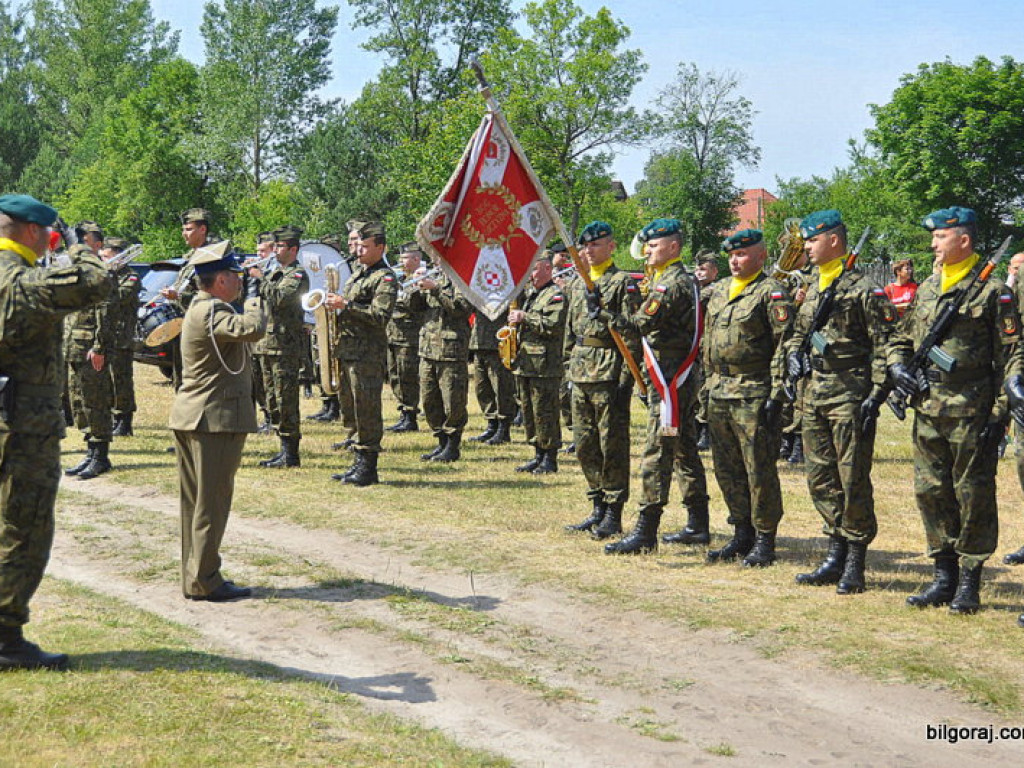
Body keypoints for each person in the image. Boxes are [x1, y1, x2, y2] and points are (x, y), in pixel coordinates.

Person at [0, 194, 112, 669]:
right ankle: (4, 637)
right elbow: (95, 281)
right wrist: (73, 243)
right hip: (22, 422)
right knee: (22, 525)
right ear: (32, 231)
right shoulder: (21, 280)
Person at [893, 207, 1023, 614]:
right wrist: (897, 365)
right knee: (931, 492)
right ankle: (943, 575)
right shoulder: (928, 288)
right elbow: (901, 337)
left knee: (972, 495)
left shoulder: (992, 291)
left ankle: (970, 580)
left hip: (972, 410)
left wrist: (1001, 410)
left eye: (940, 237)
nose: (933, 244)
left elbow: (1012, 354)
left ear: (963, 240)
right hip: (928, 408)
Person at [784, 209, 897, 594]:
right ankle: (834, 551)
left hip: (850, 392)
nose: (807, 248)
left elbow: (886, 344)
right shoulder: (814, 286)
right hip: (814, 391)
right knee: (821, 477)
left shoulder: (864, 287)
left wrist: (877, 394)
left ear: (834, 240)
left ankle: (855, 560)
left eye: (813, 241)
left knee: (851, 479)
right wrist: (793, 354)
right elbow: (798, 332)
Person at [594, 218, 702, 554]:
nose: (646, 252)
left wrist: (605, 314)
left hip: (670, 380)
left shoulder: (669, 284)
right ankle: (698, 522)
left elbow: (641, 324)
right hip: (670, 377)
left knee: (659, 448)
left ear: (672, 247)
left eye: (653, 246)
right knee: (682, 446)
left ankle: (646, 529)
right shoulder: (668, 278)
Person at [169, 240, 266, 602]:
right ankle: (205, 579)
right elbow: (252, 329)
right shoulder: (212, 311)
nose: (240, 282)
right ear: (221, 279)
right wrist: (255, 295)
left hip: (195, 415)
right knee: (212, 502)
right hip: (213, 419)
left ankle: (196, 576)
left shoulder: (201, 306)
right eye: (236, 277)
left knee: (195, 503)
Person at [701, 230, 793, 566]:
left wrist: (778, 393)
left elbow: (785, 344)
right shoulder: (719, 290)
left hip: (753, 391)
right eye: (731, 255)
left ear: (761, 255)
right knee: (727, 468)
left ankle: (765, 538)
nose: (735, 260)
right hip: (719, 391)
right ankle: (741, 531)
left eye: (742, 254)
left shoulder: (771, 292)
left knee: (759, 469)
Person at [562, 222, 640, 536]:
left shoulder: (622, 282)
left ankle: (614, 510)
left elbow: (632, 331)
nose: (588, 251)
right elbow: (571, 331)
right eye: (585, 247)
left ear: (611, 246)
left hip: (609, 370)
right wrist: (568, 365)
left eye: (595, 245)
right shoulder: (577, 283)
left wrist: (627, 378)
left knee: (612, 445)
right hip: (581, 371)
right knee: (584, 444)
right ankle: (596, 505)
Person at [324, 221, 397, 485]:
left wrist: (346, 305)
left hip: (367, 353)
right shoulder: (359, 274)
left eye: (365, 247)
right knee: (352, 407)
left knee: (367, 408)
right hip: (349, 349)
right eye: (358, 246)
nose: (359, 251)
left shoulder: (385, 278)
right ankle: (357, 461)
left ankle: (368, 466)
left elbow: (379, 316)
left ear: (381, 247)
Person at [250, 226, 309, 468]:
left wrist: (260, 277)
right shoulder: (276, 273)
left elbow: (280, 299)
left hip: (285, 346)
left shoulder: (297, 275)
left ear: (293, 249)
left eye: (280, 247)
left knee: (286, 399)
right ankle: (281, 447)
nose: (275, 251)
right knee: (272, 398)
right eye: (274, 247)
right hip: (267, 344)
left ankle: (291, 452)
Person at [63, 222, 116, 480]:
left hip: (90, 349)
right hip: (74, 346)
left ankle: (101, 456)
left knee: (96, 401)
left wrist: (99, 347)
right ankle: (90, 451)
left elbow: (104, 313)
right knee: (80, 402)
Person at [508, 252, 568, 474]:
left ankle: (550, 458)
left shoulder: (555, 295)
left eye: (533, 269)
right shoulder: (533, 294)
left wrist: (525, 318)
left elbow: (553, 325)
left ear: (547, 269)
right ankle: (537, 453)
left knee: (545, 412)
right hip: (527, 363)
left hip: (545, 365)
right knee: (529, 411)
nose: (530, 275)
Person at [414, 267, 474, 463]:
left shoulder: (462, 279)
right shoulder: (433, 277)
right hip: (428, 349)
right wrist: (416, 287)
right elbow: (412, 307)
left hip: (451, 350)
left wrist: (436, 289)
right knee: (429, 399)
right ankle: (440, 440)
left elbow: (461, 309)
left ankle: (452, 444)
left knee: (453, 400)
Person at [386, 243, 428, 433]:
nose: (400, 262)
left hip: (409, 336)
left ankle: (411, 415)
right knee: (396, 376)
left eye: (404, 258)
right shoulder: (400, 278)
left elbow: (412, 304)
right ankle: (403, 412)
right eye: (401, 258)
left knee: (408, 376)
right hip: (393, 335)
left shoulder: (422, 278)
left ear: (416, 259)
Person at [102, 236, 142, 437]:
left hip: (121, 336)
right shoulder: (109, 276)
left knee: (122, 380)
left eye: (107, 257)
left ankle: (124, 420)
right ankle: (112, 416)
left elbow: (118, 298)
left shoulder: (131, 277)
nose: (104, 261)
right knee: (107, 379)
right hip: (107, 335)